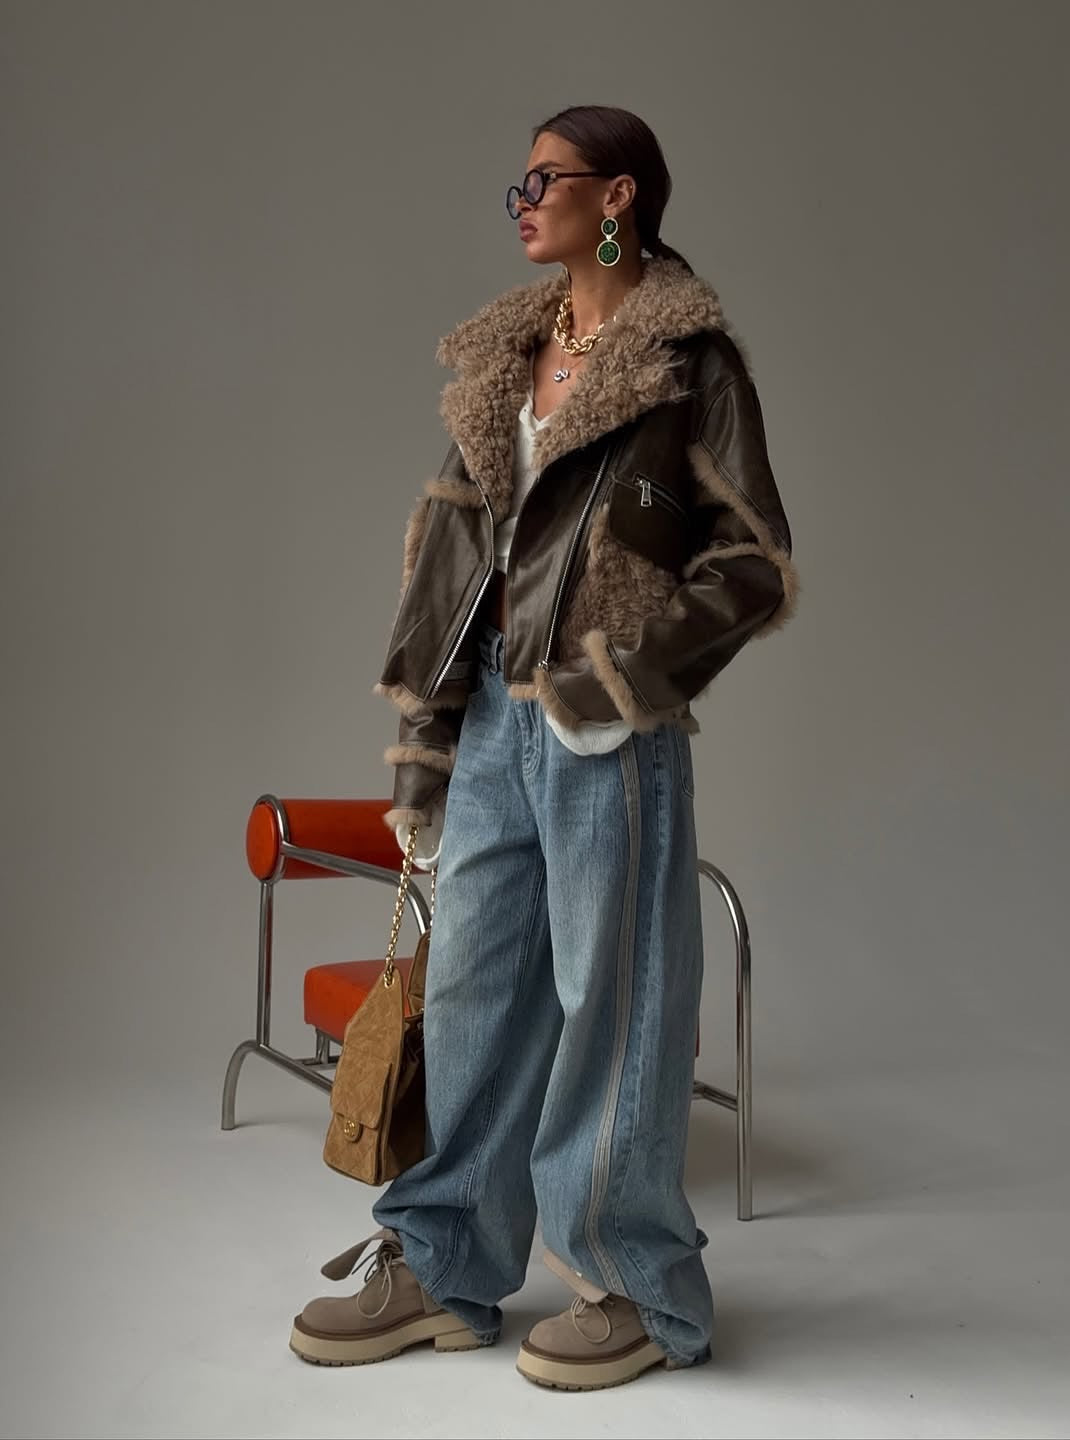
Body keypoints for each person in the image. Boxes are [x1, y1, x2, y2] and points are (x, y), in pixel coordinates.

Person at [289, 104, 800, 1391]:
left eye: (544, 180)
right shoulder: (506, 361)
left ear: (617, 195)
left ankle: (636, 1287)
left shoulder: (686, 363)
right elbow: (449, 570)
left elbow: (752, 563)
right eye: (516, 185)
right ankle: (445, 1263)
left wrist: (618, 680)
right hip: (491, 732)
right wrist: (425, 747)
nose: (521, 201)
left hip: (604, 730)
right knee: (470, 999)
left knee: (615, 1007)